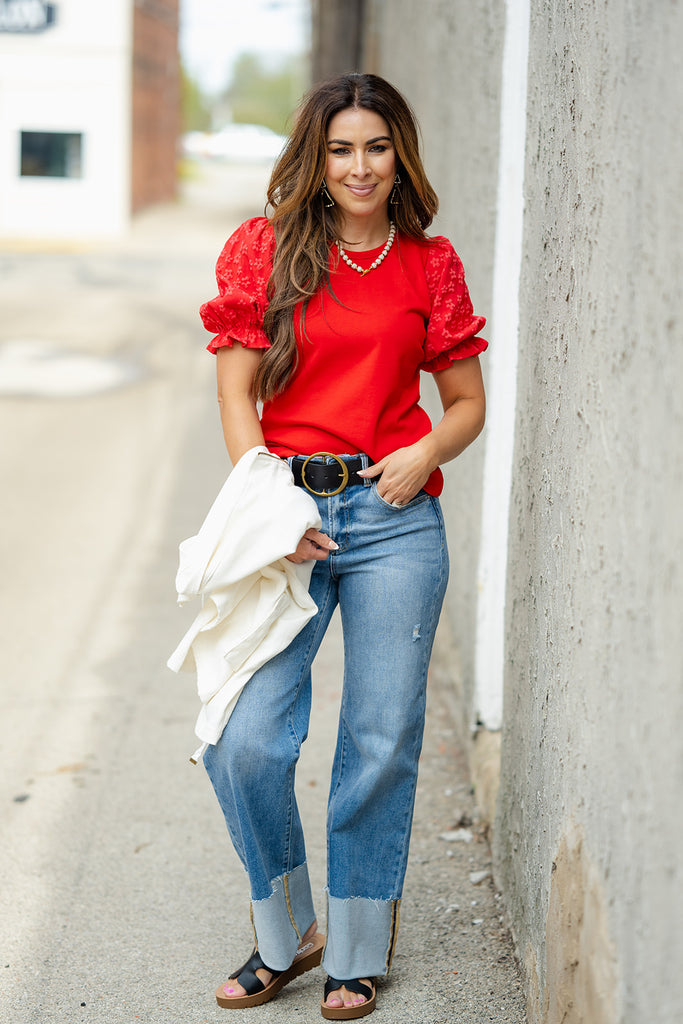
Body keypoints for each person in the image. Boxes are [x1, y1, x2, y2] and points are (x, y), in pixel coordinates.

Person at [199, 72, 487, 1020]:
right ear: (314, 160)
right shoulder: (266, 249)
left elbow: (465, 403)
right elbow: (236, 394)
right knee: (244, 740)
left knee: (378, 739)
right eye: (339, 150)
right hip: (287, 517)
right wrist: (271, 506)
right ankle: (289, 931)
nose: (359, 167)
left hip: (395, 519)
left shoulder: (430, 264)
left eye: (376, 147)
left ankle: (357, 953)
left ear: (399, 154)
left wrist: (425, 452)